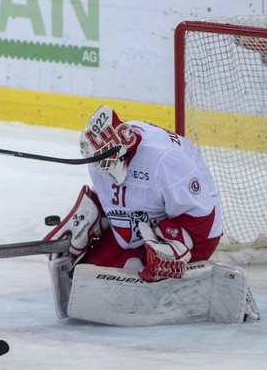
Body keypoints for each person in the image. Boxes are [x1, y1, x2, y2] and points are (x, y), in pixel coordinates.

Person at [44, 105, 259, 323]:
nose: (101, 167)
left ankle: (206, 290)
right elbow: (112, 197)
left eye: (105, 161)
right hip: (139, 227)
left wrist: (172, 249)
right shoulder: (100, 159)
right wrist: (87, 220)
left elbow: (201, 216)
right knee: (84, 282)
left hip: (192, 233)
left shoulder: (166, 160)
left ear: (121, 150)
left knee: (119, 289)